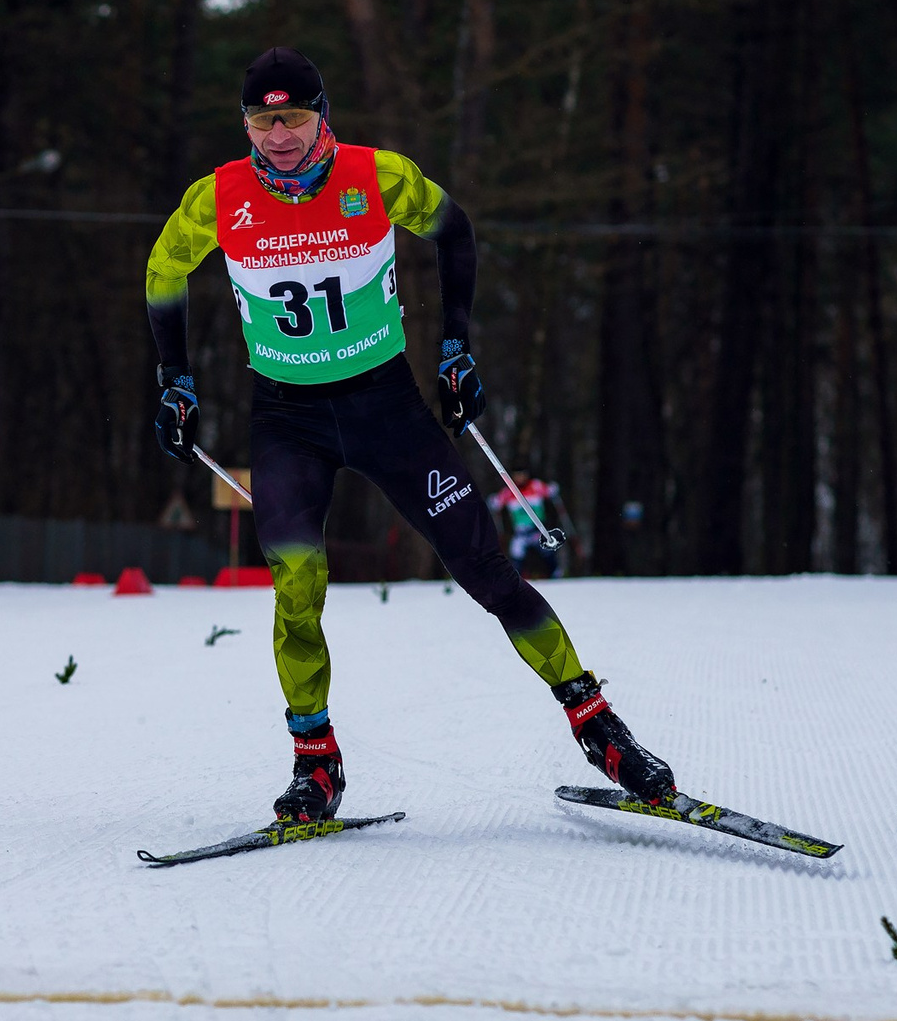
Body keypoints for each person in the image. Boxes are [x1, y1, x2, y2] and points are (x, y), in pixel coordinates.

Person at [143, 47, 673, 821]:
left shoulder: (377, 176)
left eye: (293, 118)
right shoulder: (217, 198)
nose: (278, 137)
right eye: (261, 121)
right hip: (288, 419)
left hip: (385, 407)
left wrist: (456, 345)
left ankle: (600, 727)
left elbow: (454, 231)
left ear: (322, 115)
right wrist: (176, 380)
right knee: (297, 586)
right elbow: (163, 270)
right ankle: (316, 762)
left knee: (486, 568)